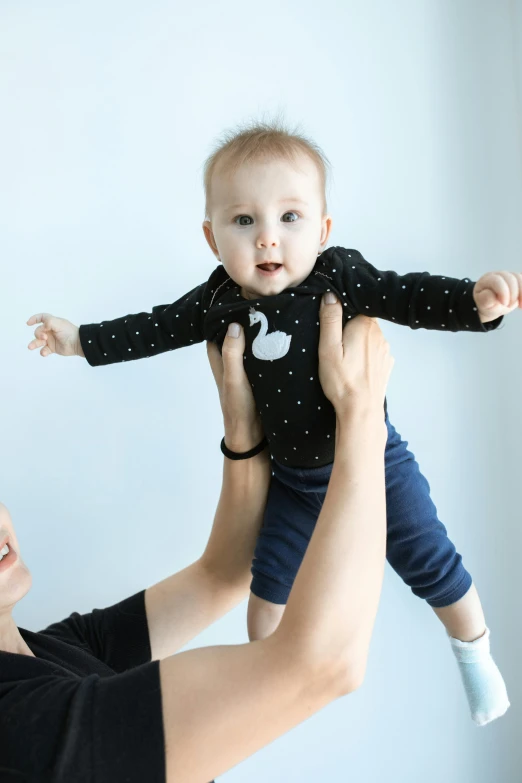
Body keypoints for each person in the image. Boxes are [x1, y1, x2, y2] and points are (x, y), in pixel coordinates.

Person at [27, 120, 517, 726]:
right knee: (264, 602)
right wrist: (81, 340)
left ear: (323, 229)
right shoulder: (217, 300)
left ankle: (475, 655)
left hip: (375, 462)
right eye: (244, 222)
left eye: (290, 218)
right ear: (211, 239)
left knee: (432, 561)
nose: (267, 240)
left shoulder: (337, 275)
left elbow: (407, 294)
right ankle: (271, 689)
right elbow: (153, 327)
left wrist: (475, 302)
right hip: (292, 479)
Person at [4, 301, 389, 782]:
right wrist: (364, 419)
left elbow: (221, 575)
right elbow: (326, 663)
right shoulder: (17, 724)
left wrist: (243, 430)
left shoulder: (54, 650)